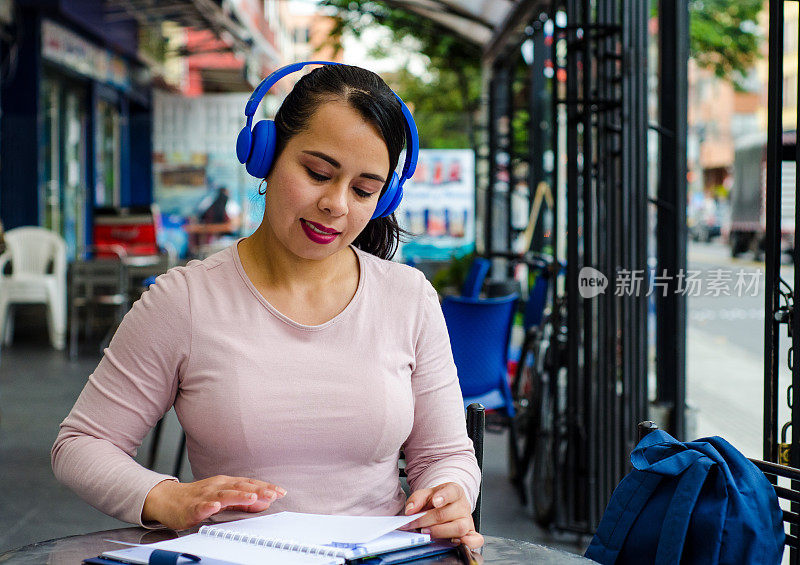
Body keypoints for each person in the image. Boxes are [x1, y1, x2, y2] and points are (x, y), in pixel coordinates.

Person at [51, 62, 483, 550]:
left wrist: (451, 493)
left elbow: (446, 454)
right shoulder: (185, 301)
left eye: (364, 190)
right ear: (266, 154)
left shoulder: (409, 299)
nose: (337, 205)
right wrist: (165, 497)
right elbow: (82, 444)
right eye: (318, 173)